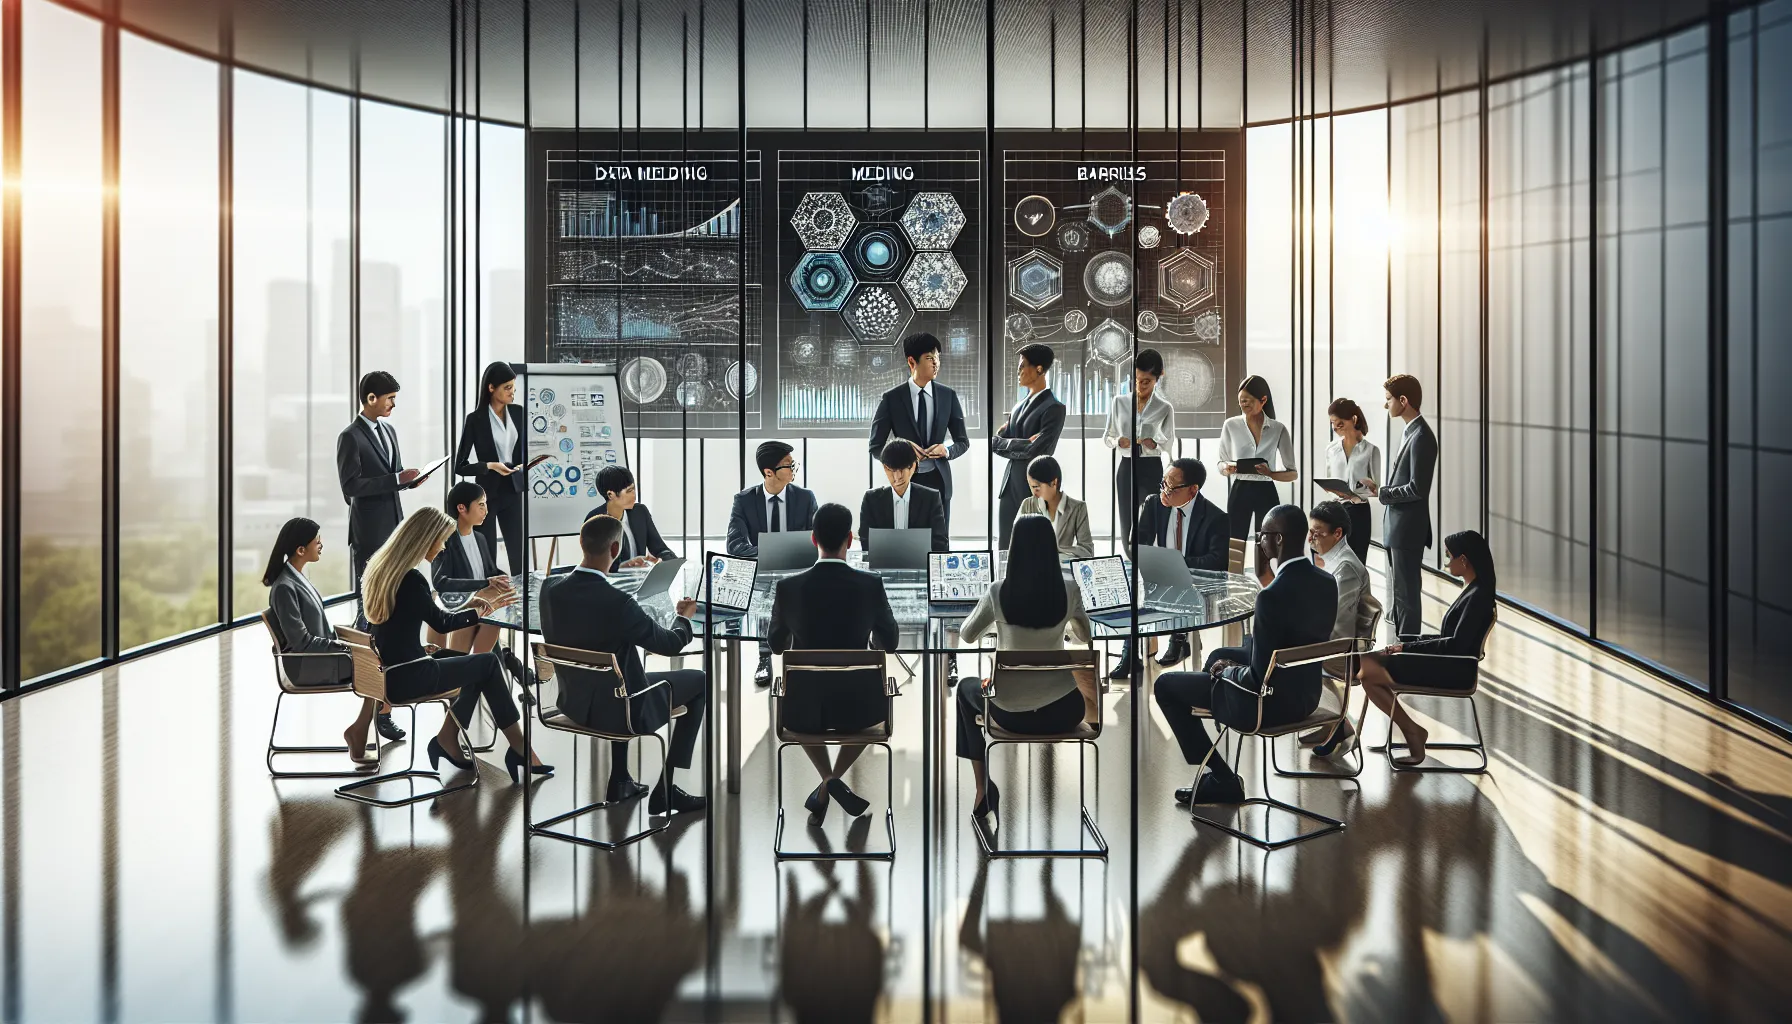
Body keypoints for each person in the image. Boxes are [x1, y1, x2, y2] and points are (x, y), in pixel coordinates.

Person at [1153, 504, 1337, 805]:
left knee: (1166, 686)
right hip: (1306, 694)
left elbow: (1255, 680)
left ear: (1277, 540)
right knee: (1216, 654)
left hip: (1268, 705)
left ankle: (1222, 778)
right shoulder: (1325, 582)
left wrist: (1226, 672)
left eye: (1261, 535)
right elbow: (1293, 640)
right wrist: (1226, 661)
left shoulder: (1271, 596)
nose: (1258, 541)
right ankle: (1214, 705)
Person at [362, 508, 551, 785]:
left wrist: (469, 604)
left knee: (477, 668)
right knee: (486, 663)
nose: (441, 549)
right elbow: (441, 623)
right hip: (410, 674)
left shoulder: (385, 571)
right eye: (440, 541)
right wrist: (483, 611)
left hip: (393, 671)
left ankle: (450, 739)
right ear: (425, 539)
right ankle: (519, 747)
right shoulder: (412, 579)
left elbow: (405, 622)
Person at [538, 514, 709, 813]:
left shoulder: (550, 589)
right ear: (616, 550)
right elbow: (669, 644)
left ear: (581, 543)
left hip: (572, 702)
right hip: (623, 711)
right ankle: (666, 789)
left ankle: (620, 780)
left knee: (619, 678)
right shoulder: (619, 603)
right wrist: (684, 618)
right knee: (699, 680)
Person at [766, 503, 901, 826]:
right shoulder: (871, 585)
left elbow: (776, 645)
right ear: (850, 539)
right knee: (865, 715)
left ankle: (827, 783)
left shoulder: (788, 588)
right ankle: (832, 781)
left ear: (813, 540)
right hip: (863, 709)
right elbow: (890, 642)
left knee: (805, 706)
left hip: (800, 710)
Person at [955, 514, 1096, 823]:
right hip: (1066, 711)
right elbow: (1085, 636)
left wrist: (998, 625)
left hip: (1010, 715)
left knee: (965, 690)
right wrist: (1064, 629)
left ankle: (982, 790)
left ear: (1014, 548)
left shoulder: (997, 591)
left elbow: (966, 635)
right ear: (1051, 548)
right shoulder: (1070, 590)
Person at [1355, 530, 1497, 765]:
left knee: (1368, 667)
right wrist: (1406, 645)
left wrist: (1407, 648)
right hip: (1448, 663)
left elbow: (1456, 645)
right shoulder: (1474, 591)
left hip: (1453, 670)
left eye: (1449, 556)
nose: (1446, 561)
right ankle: (1411, 730)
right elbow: (1449, 638)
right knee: (1369, 667)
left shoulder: (1478, 597)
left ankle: (1412, 731)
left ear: (1463, 560)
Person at [336, 368, 419, 741]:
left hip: (394, 534)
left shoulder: (389, 431)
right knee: (371, 618)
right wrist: (394, 481)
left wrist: (409, 479)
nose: (393, 405)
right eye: (389, 398)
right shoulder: (349, 437)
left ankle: (382, 704)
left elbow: (394, 476)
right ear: (371, 398)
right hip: (370, 537)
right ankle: (366, 693)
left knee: (392, 617)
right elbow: (351, 486)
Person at [263, 517, 379, 766]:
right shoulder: (285, 587)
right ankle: (359, 731)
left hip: (323, 657)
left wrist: (353, 639)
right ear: (301, 550)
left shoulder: (296, 577)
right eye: (317, 541)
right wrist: (345, 647)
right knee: (381, 668)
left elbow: (319, 631)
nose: (321, 545)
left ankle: (360, 729)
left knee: (380, 658)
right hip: (308, 666)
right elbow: (302, 642)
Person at [1112, 457, 1228, 677]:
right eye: (1163, 483)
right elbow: (1135, 543)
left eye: (1171, 487)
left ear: (1193, 490)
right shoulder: (1153, 503)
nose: (1164, 491)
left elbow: (1216, 562)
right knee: (1131, 587)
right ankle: (1130, 654)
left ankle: (1179, 639)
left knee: (1171, 588)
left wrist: (1175, 562)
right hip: (1161, 577)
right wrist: (1155, 560)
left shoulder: (1216, 518)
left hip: (1195, 583)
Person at [727, 441, 819, 685]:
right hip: (764, 573)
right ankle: (764, 657)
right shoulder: (744, 500)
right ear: (769, 472)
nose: (794, 469)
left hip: (799, 571)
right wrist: (771, 555)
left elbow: (817, 538)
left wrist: (791, 555)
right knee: (763, 598)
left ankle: (801, 659)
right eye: (789, 466)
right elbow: (734, 545)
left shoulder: (805, 498)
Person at [868, 332, 970, 526]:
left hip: (939, 481)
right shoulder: (892, 398)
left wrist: (946, 450)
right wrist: (901, 449)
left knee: (939, 545)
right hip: (905, 482)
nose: (935, 363)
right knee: (908, 542)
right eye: (929, 358)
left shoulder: (948, 396)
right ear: (912, 362)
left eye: (937, 358)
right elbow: (875, 446)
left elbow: (963, 442)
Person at [1367, 373, 1436, 639]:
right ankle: (1401, 646)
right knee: (1399, 594)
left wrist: (1383, 493)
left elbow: (1417, 489)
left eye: (1388, 400)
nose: (1386, 406)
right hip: (1399, 527)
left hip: (1407, 529)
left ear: (1403, 401)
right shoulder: (1411, 433)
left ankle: (1407, 651)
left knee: (1406, 595)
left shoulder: (1421, 437)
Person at [1305, 500, 1374, 757]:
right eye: (1310, 531)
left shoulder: (1345, 568)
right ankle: (1331, 722)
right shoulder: (1332, 560)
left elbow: (1339, 626)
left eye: (1318, 533)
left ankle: (1337, 722)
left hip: (1342, 651)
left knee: (1282, 656)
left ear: (1338, 533)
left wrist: (1306, 640)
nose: (1311, 538)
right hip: (1334, 641)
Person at [452, 361, 527, 575]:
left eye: (513, 387)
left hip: (514, 490)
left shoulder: (519, 413)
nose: (512, 392)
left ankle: (520, 602)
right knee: (488, 555)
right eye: (507, 388)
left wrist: (524, 464)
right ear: (491, 388)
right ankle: (490, 604)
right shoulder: (475, 420)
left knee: (518, 555)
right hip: (487, 495)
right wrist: (490, 466)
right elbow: (461, 466)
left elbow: (524, 451)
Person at [991, 343, 1067, 550]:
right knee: (1005, 545)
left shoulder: (1054, 408)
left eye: (1023, 366)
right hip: (1009, 485)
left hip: (1035, 486)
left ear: (1039, 369)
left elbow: (1036, 450)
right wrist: (1022, 443)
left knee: (1033, 547)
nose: (1018, 371)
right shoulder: (1017, 407)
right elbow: (994, 443)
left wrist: (1010, 444)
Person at [431, 482, 516, 658]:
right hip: (460, 607)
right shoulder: (444, 540)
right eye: (481, 505)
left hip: (482, 605)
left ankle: (481, 666)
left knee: (495, 620)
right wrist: (485, 583)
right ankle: (469, 668)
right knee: (486, 621)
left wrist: (502, 578)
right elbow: (440, 582)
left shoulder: (480, 538)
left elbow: (490, 571)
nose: (486, 510)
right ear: (462, 508)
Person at [1103, 348, 1175, 545]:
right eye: (1136, 379)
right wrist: (1118, 441)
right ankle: (1131, 563)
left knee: (1151, 520)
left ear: (1159, 377)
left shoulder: (1164, 407)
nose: (1140, 386)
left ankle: (1149, 563)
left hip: (1151, 467)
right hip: (1126, 466)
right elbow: (1107, 437)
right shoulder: (1119, 402)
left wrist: (1156, 444)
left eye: (1146, 382)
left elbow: (1168, 443)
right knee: (1127, 522)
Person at [1217, 374, 1298, 541]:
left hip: (1266, 490)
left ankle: (1266, 569)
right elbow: (1221, 463)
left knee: (1267, 542)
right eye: (1241, 400)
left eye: (1248, 400)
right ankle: (1233, 569)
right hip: (1240, 489)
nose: (1243, 404)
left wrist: (1270, 474)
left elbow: (1293, 473)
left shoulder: (1278, 429)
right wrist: (1227, 468)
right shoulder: (1231, 425)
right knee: (1235, 540)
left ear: (1263, 400)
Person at [1319, 397, 1381, 562]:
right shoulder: (1331, 449)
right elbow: (1330, 481)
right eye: (1332, 423)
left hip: (1359, 513)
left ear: (1353, 419)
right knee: (1335, 560)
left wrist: (1356, 493)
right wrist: (1332, 490)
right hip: (1336, 511)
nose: (1335, 428)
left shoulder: (1371, 450)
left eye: (1339, 423)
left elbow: (1376, 490)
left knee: (1357, 561)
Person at [860, 439, 948, 554]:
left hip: (921, 568)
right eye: (891, 470)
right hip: (881, 568)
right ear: (885, 468)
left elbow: (940, 544)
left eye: (902, 470)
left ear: (913, 466)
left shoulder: (931, 498)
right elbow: (866, 542)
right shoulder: (871, 499)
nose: (897, 477)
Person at [583, 465, 675, 567]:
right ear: (610, 495)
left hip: (640, 579)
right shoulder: (595, 520)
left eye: (634, 489)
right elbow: (596, 565)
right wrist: (625, 566)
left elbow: (660, 549)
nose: (634, 495)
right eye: (629, 491)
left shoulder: (640, 512)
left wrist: (666, 561)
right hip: (611, 581)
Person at [1016, 455, 1092, 560]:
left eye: (1036, 487)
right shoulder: (1028, 504)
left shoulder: (1078, 508)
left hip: (1064, 572)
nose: (1034, 493)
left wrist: (1054, 550)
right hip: (1033, 570)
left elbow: (1087, 551)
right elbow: (1016, 544)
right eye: (1031, 487)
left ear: (1054, 483)